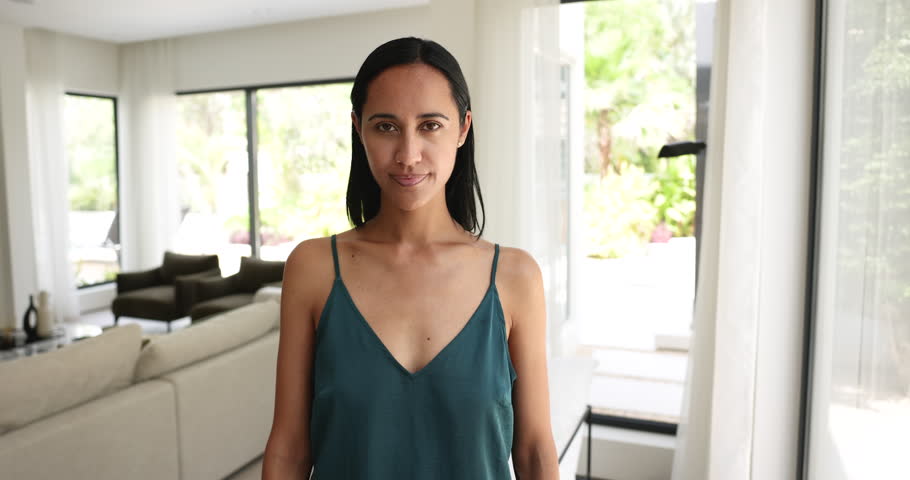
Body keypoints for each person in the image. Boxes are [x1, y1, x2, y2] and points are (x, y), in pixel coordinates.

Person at [262, 37, 559, 479]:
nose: (408, 155)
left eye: (430, 125)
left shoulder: (515, 277)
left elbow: (534, 451)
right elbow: (288, 449)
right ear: (358, 129)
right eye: (385, 126)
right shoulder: (314, 268)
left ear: (462, 128)